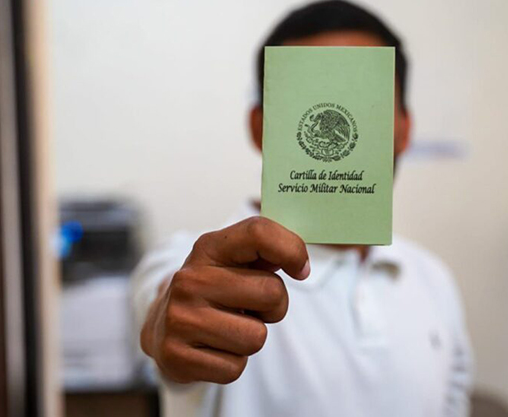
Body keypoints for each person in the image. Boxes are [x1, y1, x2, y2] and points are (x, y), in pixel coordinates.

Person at [131, 1, 473, 416]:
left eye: (365, 99)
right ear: (259, 126)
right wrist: (169, 323)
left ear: (404, 128)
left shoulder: (434, 281)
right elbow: (167, 304)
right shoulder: (192, 264)